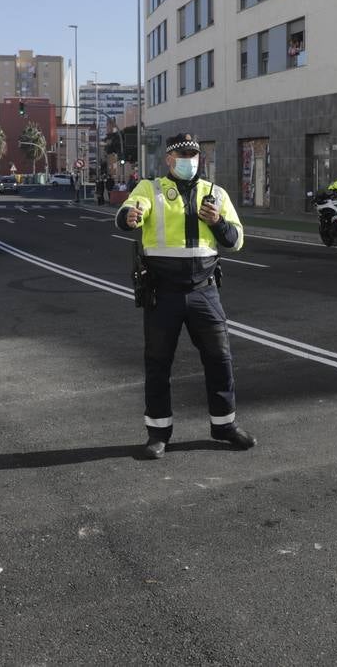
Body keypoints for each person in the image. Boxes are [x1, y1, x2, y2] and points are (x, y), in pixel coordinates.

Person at [116, 133, 255, 460]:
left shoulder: (215, 194)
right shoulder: (150, 189)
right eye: (182, 155)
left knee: (220, 360)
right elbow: (128, 212)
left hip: (204, 291)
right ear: (169, 159)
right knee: (158, 363)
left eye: (193, 155)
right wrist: (129, 217)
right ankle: (158, 434)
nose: (189, 160)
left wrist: (218, 222)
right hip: (162, 292)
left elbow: (236, 241)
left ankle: (224, 425)